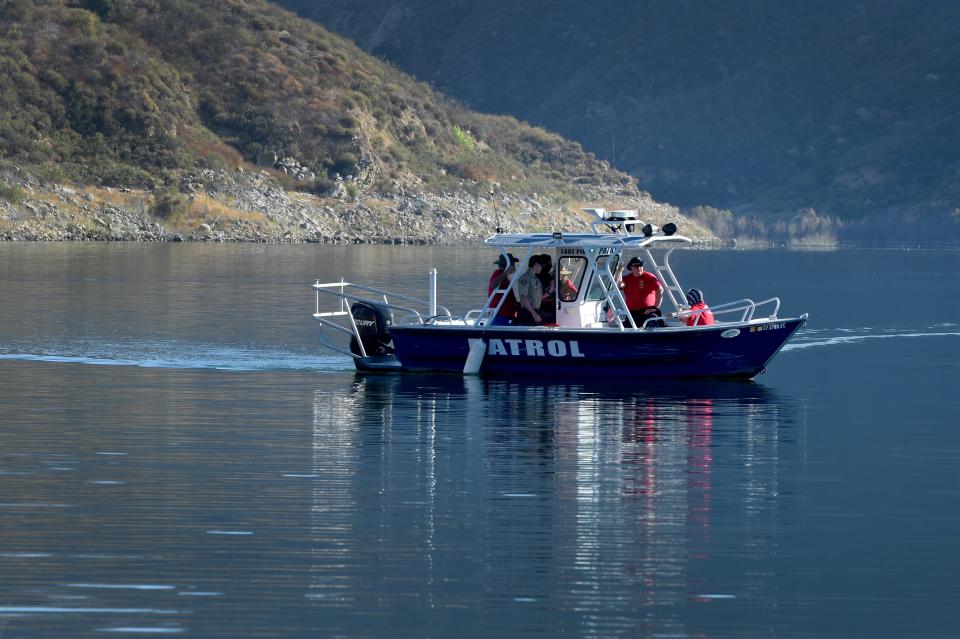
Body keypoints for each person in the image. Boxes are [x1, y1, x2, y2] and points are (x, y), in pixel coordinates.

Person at [617, 256, 664, 327]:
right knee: (624, 328)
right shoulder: (627, 278)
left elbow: (660, 289)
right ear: (631, 268)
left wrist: (655, 308)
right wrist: (619, 271)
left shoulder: (649, 276)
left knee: (652, 321)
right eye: (636, 265)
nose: (639, 267)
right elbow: (620, 285)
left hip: (648, 312)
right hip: (632, 313)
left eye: (640, 265)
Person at [488, 253, 519, 325]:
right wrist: (506, 273)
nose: (514, 266)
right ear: (508, 264)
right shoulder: (499, 273)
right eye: (513, 263)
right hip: (500, 315)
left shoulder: (505, 277)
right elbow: (493, 284)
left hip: (505, 315)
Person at [515, 255, 545, 326]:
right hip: (528, 313)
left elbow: (537, 297)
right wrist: (533, 313)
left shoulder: (536, 279)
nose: (542, 268)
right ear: (536, 264)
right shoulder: (525, 278)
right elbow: (523, 298)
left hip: (534, 311)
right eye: (541, 265)